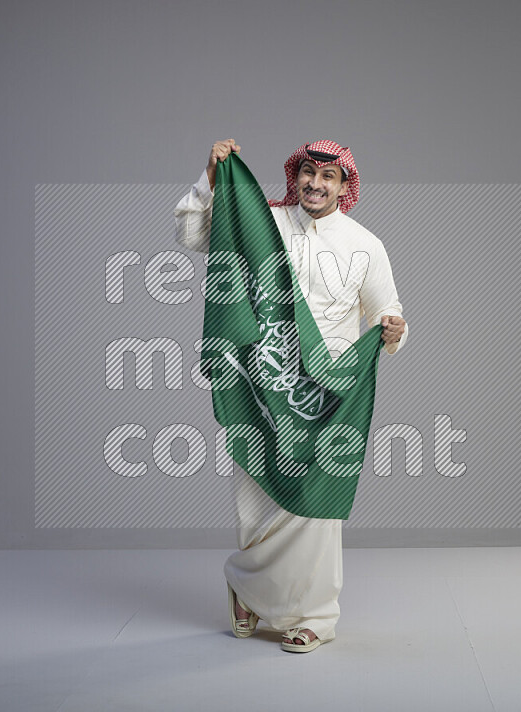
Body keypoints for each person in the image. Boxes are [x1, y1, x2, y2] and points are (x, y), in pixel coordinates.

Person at [173, 139, 408, 652]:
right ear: (295, 176)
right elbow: (192, 233)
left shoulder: (365, 243)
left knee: (317, 504)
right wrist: (212, 179)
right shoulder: (265, 224)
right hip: (263, 381)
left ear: (345, 187)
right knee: (256, 501)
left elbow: (388, 311)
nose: (316, 184)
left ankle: (315, 616)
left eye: (328, 177)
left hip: (327, 392)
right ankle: (248, 590)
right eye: (308, 173)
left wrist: (392, 332)